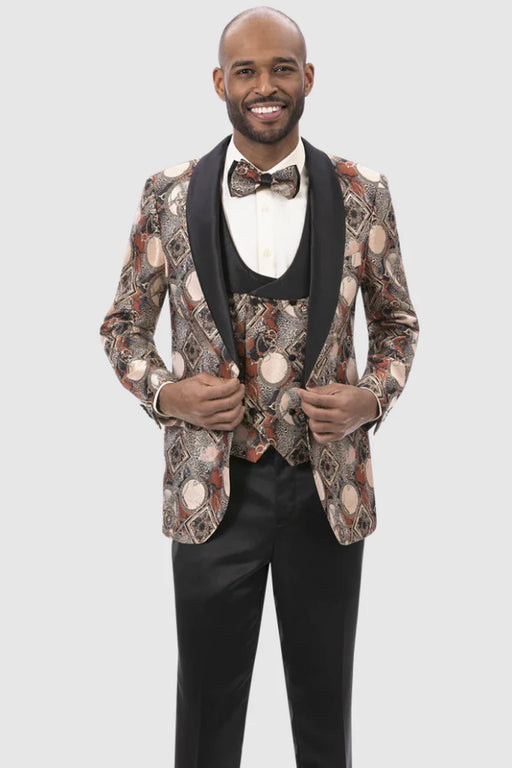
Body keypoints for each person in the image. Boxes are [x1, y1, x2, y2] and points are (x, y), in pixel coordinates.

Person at [99, 6, 420, 767]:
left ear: (308, 78)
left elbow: (398, 324)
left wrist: (370, 399)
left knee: (324, 716)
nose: (265, 86)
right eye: (246, 71)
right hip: (210, 492)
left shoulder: (364, 191)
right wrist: (167, 395)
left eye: (281, 69)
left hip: (327, 489)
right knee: (205, 720)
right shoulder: (167, 193)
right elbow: (122, 327)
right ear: (220, 83)